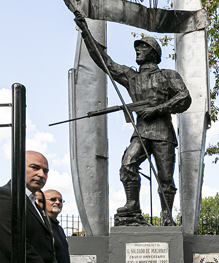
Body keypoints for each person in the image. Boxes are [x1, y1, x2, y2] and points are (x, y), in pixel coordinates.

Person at [73, 14, 191, 226]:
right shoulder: (131, 77)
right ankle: (132, 206)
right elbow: (104, 61)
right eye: (137, 47)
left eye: (143, 47)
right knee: (128, 164)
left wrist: (157, 109)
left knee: (165, 178)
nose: (137, 50)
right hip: (141, 131)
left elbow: (184, 97)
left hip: (163, 133)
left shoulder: (168, 75)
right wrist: (85, 32)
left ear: (153, 52)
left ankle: (166, 215)